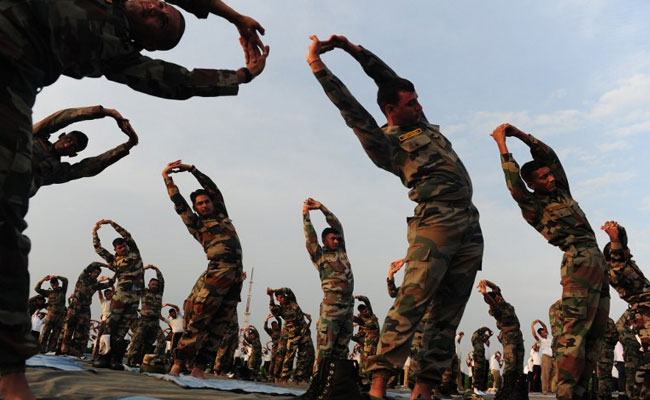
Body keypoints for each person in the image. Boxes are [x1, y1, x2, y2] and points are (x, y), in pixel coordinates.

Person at [1, 0, 269, 393]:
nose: (159, 11)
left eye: (164, 26)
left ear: (151, 47)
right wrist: (234, 16)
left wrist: (243, 75)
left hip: (13, 74)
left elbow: (181, 82)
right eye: (163, 6)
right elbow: (58, 121)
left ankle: (8, 372)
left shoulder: (122, 55)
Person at [307, 34, 483, 400]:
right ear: (391, 110)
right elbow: (352, 110)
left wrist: (353, 50)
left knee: (448, 312)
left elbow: (386, 77)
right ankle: (378, 386)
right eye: (410, 103)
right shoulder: (386, 141)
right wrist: (318, 67)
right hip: (434, 224)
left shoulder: (420, 123)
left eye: (417, 100)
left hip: (468, 224)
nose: (418, 106)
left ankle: (424, 388)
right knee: (412, 303)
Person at [490, 123, 609, 400]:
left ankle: (579, 391)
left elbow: (550, 156)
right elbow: (514, 185)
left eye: (550, 175)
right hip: (577, 261)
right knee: (574, 332)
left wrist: (521, 135)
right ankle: (566, 392)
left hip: (597, 262)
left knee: (595, 333)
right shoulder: (534, 205)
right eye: (543, 177)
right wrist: (502, 145)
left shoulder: (562, 192)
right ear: (533, 184)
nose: (551, 178)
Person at [162, 161, 244, 378]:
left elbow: (213, 189)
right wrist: (167, 178)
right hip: (218, 272)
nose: (205, 205)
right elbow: (179, 203)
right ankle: (179, 363)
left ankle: (199, 367)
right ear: (196, 208)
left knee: (220, 325)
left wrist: (193, 171)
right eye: (200, 204)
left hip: (235, 277)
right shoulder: (197, 225)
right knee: (200, 319)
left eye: (206, 202)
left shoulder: (221, 215)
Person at [302, 198, 355, 382]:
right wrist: (306, 215)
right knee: (326, 348)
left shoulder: (342, 252)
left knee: (342, 349)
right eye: (332, 238)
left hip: (348, 306)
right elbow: (311, 238)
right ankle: (318, 382)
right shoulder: (320, 255)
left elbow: (337, 225)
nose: (336, 240)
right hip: (332, 306)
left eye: (338, 238)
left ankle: (335, 385)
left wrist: (322, 208)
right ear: (325, 241)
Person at [31, 106, 138, 196]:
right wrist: (109, 112)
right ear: (62, 135)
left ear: (73, 154)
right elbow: (62, 118)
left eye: (72, 147)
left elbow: (94, 165)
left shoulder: (59, 170)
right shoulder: (36, 136)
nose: (66, 145)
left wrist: (129, 144)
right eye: (68, 139)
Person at [601, 220, 650, 396]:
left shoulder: (626, 263)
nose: (631, 252)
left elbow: (623, 244)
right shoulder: (615, 271)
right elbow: (617, 260)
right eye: (625, 250)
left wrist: (617, 230)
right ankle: (640, 393)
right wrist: (614, 240)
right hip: (644, 315)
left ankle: (640, 393)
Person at [92, 219, 144, 369]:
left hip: (134, 298)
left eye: (123, 245)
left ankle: (116, 359)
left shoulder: (135, 253)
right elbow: (98, 249)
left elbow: (127, 235)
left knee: (123, 328)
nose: (123, 248)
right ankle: (103, 357)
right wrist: (95, 232)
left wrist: (112, 223)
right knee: (110, 325)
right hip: (120, 296)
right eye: (119, 247)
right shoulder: (114, 260)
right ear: (116, 250)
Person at [477, 280, 527, 399]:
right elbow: (492, 303)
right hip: (509, 338)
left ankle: (518, 391)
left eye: (499, 297)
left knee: (519, 363)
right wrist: (484, 294)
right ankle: (507, 391)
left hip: (518, 336)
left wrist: (487, 282)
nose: (499, 298)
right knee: (510, 363)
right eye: (497, 299)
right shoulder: (496, 310)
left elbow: (496, 289)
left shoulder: (504, 303)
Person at [61, 262, 114, 356]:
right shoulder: (83, 277)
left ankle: (75, 352)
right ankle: (63, 350)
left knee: (80, 331)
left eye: (98, 273)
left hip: (84, 309)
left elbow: (110, 283)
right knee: (68, 329)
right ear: (91, 272)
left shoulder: (96, 284)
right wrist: (107, 265)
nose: (96, 274)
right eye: (95, 272)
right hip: (74, 307)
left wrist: (115, 272)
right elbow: (93, 263)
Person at [267, 287, 314, 384]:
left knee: (303, 356)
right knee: (289, 355)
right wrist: (271, 296)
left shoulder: (292, 300)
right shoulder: (279, 309)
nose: (282, 298)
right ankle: (284, 378)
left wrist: (275, 290)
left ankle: (298, 378)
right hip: (293, 333)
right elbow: (273, 309)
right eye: (279, 297)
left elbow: (288, 290)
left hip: (303, 331)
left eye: (283, 296)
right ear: (277, 299)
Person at [127, 265, 164, 366]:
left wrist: (157, 269)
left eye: (156, 285)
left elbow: (161, 280)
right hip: (144, 320)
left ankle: (148, 360)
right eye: (153, 284)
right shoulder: (143, 292)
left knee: (158, 341)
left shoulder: (159, 293)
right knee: (137, 341)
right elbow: (138, 279)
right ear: (149, 284)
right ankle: (131, 360)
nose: (154, 286)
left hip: (155, 322)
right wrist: (143, 269)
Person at [34, 275, 68, 353]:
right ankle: (40, 349)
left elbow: (65, 280)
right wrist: (42, 279)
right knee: (45, 333)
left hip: (60, 317)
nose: (54, 286)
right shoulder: (48, 292)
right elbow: (36, 289)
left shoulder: (63, 290)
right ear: (51, 285)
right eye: (52, 285)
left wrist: (56, 276)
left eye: (55, 284)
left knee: (55, 335)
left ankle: (51, 350)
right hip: (51, 315)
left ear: (58, 283)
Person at [596, 318, 618, 400]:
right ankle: (604, 395)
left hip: (592, 349)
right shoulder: (609, 321)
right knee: (605, 375)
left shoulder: (591, 318)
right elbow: (615, 336)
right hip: (606, 351)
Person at [531, 319, 554, 395]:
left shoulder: (548, 338)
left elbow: (544, 326)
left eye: (545, 331)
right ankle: (545, 390)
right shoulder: (540, 340)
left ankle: (550, 389)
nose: (545, 332)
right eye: (543, 332)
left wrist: (539, 321)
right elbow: (534, 335)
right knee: (545, 374)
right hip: (546, 357)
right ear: (540, 334)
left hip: (552, 357)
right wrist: (532, 326)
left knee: (551, 374)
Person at [471, 327, 492, 392]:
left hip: (482, 357)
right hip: (478, 356)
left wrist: (489, 336)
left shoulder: (480, 340)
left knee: (481, 373)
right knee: (477, 372)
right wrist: (488, 329)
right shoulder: (475, 338)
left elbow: (485, 339)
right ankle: (476, 388)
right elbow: (482, 329)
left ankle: (479, 388)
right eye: (483, 334)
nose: (484, 336)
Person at [263, 314, 282, 381]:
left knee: (279, 362)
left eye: (276, 324)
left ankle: (277, 375)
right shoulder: (271, 332)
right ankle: (271, 375)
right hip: (275, 348)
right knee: (273, 361)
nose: (275, 326)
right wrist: (267, 319)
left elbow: (279, 320)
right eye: (274, 325)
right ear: (272, 327)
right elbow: (265, 327)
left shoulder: (279, 329)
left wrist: (275, 315)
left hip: (281, 347)